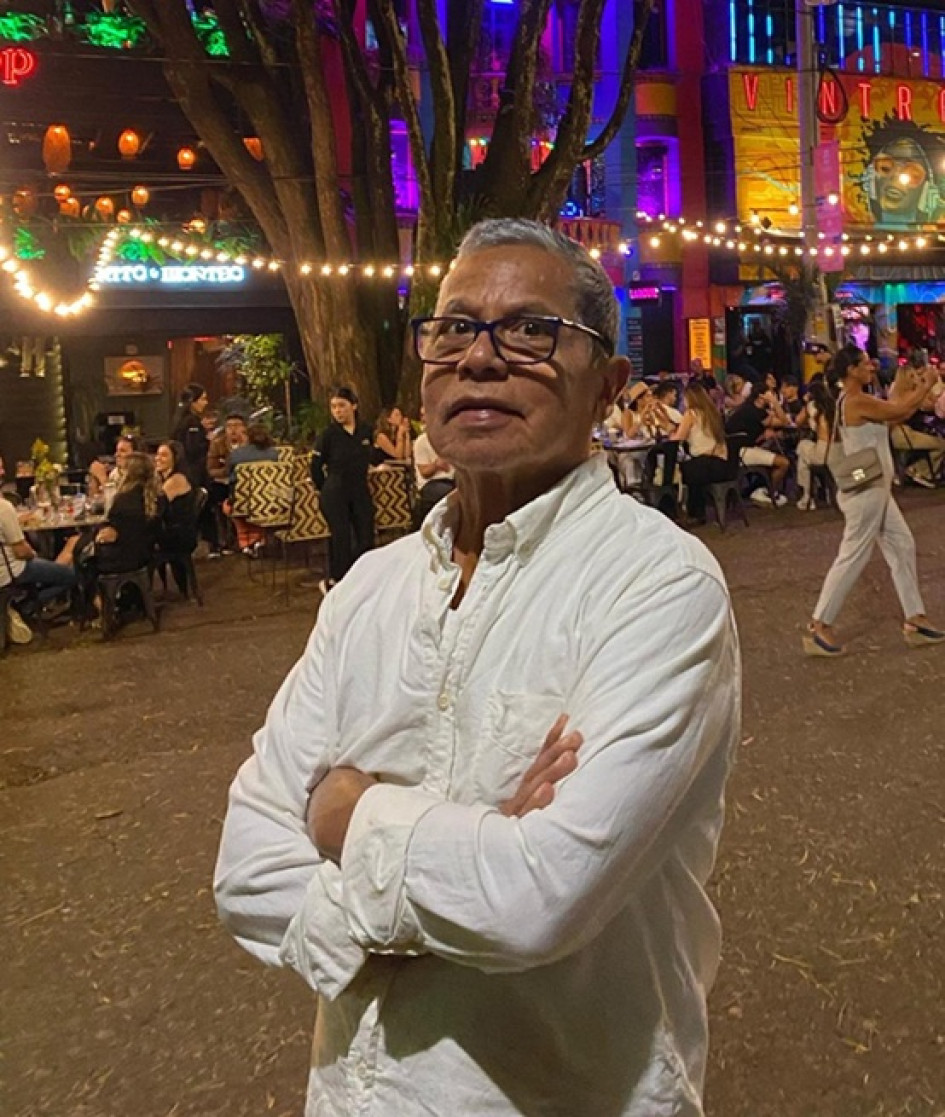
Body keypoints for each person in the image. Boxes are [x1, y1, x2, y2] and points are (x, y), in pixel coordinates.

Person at [215, 218, 740, 1116]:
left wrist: (349, 815)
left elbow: (539, 895)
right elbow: (245, 864)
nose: (480, 357)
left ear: (607, 383)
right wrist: (468, 849)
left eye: (531, 331)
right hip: (354, 1094)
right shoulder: (369, 592)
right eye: (453, 327)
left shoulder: (656, 587)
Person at [804, 344, 943, 656]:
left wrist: (911, 386)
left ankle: (915, 618)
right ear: (851, 370)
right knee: (853, 555)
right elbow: (899, 411)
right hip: (866, 491)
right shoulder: (854, 400)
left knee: (903, 545)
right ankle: (819, 624)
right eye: (865, 363)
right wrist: (927, 384)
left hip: (875, 488)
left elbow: (893, 411)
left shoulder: (856, 401)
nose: (871, 366)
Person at [75, 453, 160, 619]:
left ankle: (100, 606)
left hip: (122, 557)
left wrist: (101, 535)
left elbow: (112, 530)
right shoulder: (150, 495)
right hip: (144, 553)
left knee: (82, 558)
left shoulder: (124, 500)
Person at [309, 387, 375, 594]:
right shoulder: (328, 435)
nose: (338, 411)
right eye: (334, 407)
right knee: (341, 536)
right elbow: (315, 465)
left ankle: (363, 577)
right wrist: (323, 487)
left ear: (353, 406)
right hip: (335, 490)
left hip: (359, 489)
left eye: (342, 406)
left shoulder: (365, 430)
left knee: (365, 534)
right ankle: (338, 580)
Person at [0, 494, 76, 619]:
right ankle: (26, 606)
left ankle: (24, 603)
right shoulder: (3, 507)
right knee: (73, 575)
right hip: (11, 571)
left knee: (48, 566)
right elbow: (21, 552)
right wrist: (33, 554)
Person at [672, 381, 738, 523]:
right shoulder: (713, 413)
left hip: (707, 465)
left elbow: (679, 438)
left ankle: (692, 513)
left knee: (683, 469)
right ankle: (697, 511)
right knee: (693, 467)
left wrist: (670, 434)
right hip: (724, 465)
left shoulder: (691, 414)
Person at [173, 382, 220, 557]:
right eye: (203, 399)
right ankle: (210, 546)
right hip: (195, 473)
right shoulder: (191, 421)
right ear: (193, 401)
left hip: (185, 473)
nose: (206, 403)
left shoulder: (180, 420)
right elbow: (192, 449)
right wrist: (208, 440)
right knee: (203, 509)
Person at [725, 384, 790, 505]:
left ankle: (760, 487)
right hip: (742, 451)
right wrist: (775, 403)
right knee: (783, 462)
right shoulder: (756, 412)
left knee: (770, 449)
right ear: (761, 396)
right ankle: (769, 492)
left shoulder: (748, 408)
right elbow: (784, 422)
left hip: (735, 449)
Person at [227, 424, 280, 556]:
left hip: (244, 502)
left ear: (247, 437)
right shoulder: (274, 454)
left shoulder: (237, 455)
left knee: (229, 507)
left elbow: (231, 478)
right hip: (270, 501)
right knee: (257, 508)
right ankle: (259, 540)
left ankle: (246, 541)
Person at [795, 378, 842, 511]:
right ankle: (820, 491)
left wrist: (805, 403)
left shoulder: (812, 405)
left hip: (823, 452)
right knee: (805, 454)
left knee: (802, 448)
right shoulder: (835, 405)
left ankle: (807, 496)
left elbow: (798, 421)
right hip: (839, 451)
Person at [411, 427, 455, 527]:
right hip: (430, 482)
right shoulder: (422, 441)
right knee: (449, 493)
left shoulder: (451, 440)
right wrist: (436, 465)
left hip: (452, 479)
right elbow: (424, 472)